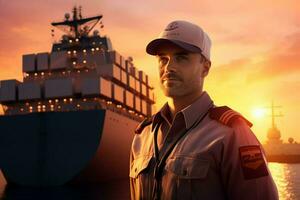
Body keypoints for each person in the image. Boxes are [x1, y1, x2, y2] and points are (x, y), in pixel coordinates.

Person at [129, 20, 278, 200]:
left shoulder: (232, 135)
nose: (169, 67)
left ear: (205, 68)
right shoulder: (142, 136)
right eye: (163, 59)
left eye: (181, 57)